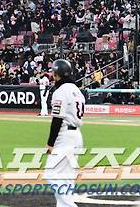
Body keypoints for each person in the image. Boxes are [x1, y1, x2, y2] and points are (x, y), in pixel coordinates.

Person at [44, 59, 85, 207]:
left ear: (56, 74)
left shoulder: (61, 91)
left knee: (51, 174)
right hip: (76, 135)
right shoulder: (77, 90)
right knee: (66, 178)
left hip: (65, 137)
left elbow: (57, 119)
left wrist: (50, 143)